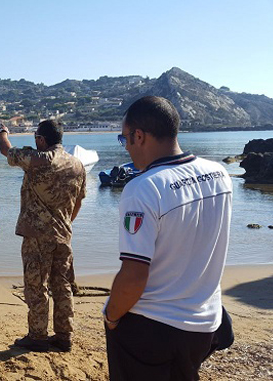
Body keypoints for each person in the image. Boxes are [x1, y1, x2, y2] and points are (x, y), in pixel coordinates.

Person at [103, 96, 233, 381]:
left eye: (124, 139)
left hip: (154, 328)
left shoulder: (143, 188)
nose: (125, 147)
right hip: (204, 323)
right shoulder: (220, 174)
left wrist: (111, 316)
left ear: (139, 136)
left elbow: (134, 276)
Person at [0, 119, 86, 352]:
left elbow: (6, 150)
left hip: (37, 235)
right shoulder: (77, 165)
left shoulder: (39, 159)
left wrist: (2, 132)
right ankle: (64, 336)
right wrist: (65, 223)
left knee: (37, 286)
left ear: (41, 140)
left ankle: (37, 336)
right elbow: (78, 201)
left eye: (36, 137)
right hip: (63, 235)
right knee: (62, 285)